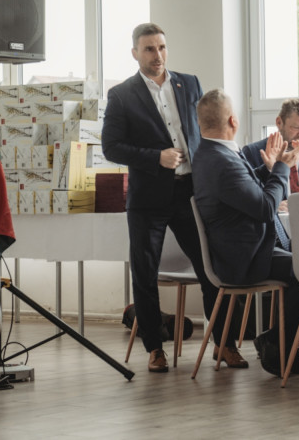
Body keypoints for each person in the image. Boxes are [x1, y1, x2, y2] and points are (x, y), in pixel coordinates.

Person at [102, 23, 246, 373]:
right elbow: (111, 147)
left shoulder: (189, 83)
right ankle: (155, 348)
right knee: (145, 275)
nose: (158, 55)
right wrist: (157, 157)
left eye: (162, 47)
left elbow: (205, 131)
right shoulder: (121, 95)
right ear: (135, 53)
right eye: (149, 49)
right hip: (148, 199)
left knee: (211, 269)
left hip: (190, 193)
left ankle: (224, 344)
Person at [191, 89, 299, 377]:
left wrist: (268, 169)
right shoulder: (223, 160)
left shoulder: (212, 153)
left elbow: (243, 190)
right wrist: (281, 167)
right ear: (233, 120)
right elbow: (266, 209)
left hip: (245, 249)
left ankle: (282, 339)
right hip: (244, 258)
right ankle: (278, 343)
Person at [241, 98, 299, 354]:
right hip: (271, 238)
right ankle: (289, 335)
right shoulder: (252, 153)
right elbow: (252, 201)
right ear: (279, 123)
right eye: (296, 128)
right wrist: (276, 202)